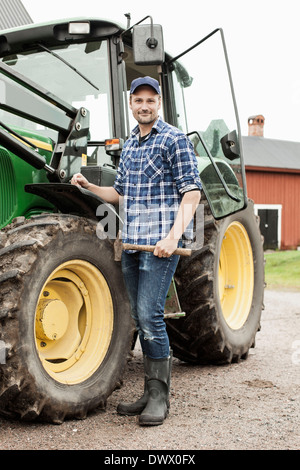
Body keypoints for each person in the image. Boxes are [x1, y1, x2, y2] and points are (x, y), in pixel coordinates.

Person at [71, 76, 202, 426]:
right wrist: (89, 187)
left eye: (150, 100)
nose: (144, 105)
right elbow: (120, 194)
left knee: (151, 317)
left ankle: (160, 397)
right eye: (138, 100)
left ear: (158, 103)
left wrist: (174, 238)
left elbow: (192, 193)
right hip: (132, 243)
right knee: (140, 320)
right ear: (131, 104)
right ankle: (148, 391)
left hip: (159, 246)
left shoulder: (174, 139)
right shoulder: (129, 145)